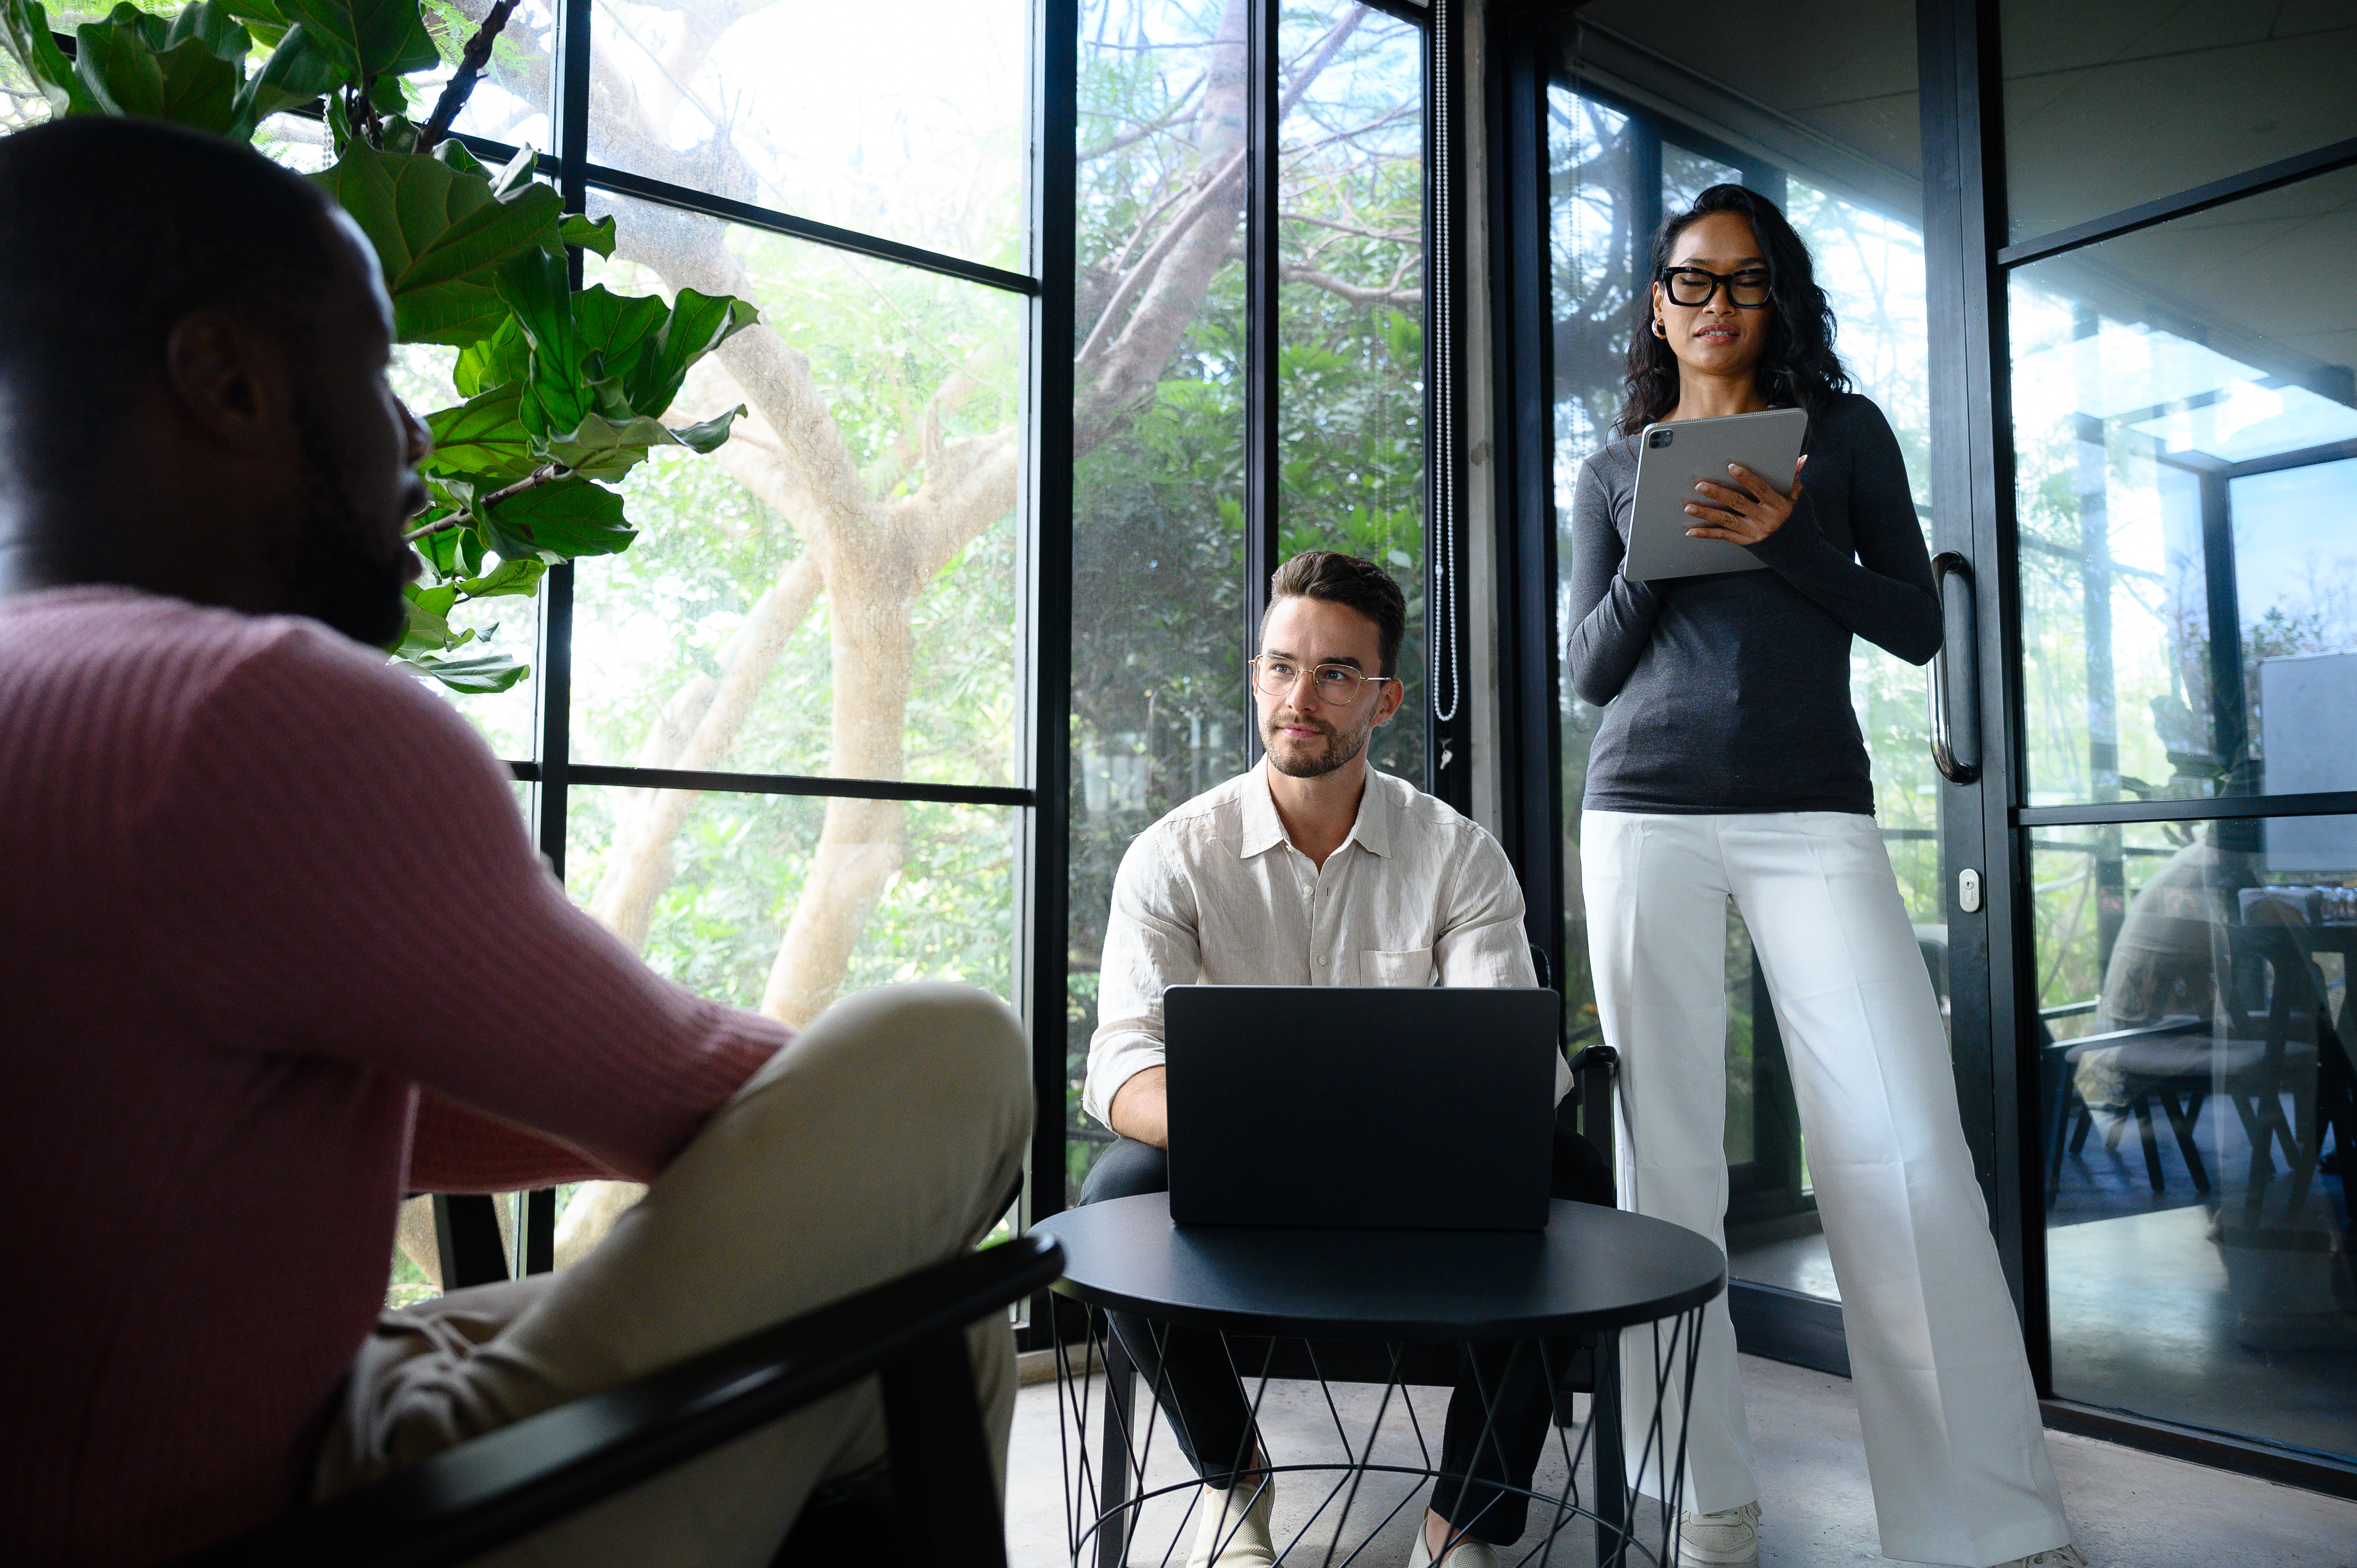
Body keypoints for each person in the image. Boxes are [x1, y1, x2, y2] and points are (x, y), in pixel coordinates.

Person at [0, 117, 1029, 1568]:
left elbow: (200, 1120)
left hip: (160, 1453)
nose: (414, 437)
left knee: (918, 1326)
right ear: (228, 381)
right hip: (273, 1517)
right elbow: (719, 1101)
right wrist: (804, 1133)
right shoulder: (244, 708)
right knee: (943, 1045)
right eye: (373, 374)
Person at [1565, 184, 2082, 1568]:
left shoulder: (1842, 434)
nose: (1715, 305)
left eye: (1743, 282)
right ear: (1657, 300)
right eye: (1690, 280)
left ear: (1774, 297)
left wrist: (1784, 540)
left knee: (1903, 1150)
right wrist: (1670, 547)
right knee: (1658, 1162)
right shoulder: (1609, 469)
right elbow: (1586, 670)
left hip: (1813, 813)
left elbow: (1915, 624)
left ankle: (1983, 1520)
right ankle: (1700, 1500)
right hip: (1639, 813)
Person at [1078, 549, 1611, 1568]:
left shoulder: (1457, 852)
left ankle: (1464, 1522)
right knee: (1113, 1194)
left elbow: (1512, 1074)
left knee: (1574, 1181)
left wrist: (1368, 1130)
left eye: (1334, 674)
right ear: (1254, 679)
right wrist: (1253, 1130)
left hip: (1425, 1178)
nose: (1299, 697)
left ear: (1386, 698)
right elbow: (1122, 1067)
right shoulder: (1172, 854)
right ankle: (1234, 1482)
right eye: (1281, 667)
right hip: (1233, 1171)